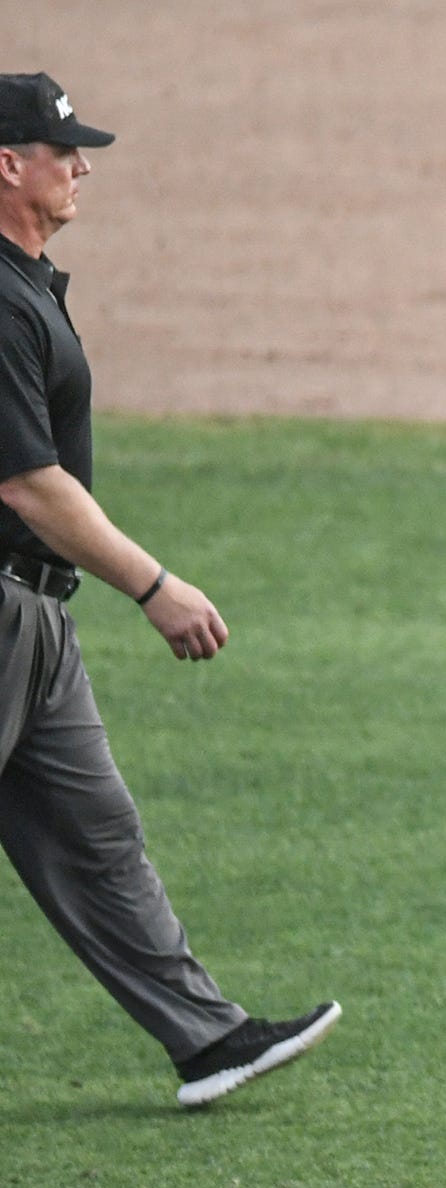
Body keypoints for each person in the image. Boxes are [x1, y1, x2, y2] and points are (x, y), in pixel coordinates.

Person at [0, 72, 341, 1108]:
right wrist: (153, 585)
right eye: (64, 151)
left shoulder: (28, 285)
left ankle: (208, 1039)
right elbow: (26, 480)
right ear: (6, 164)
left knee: (94, 829)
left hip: (34, 615)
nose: (82, 166)